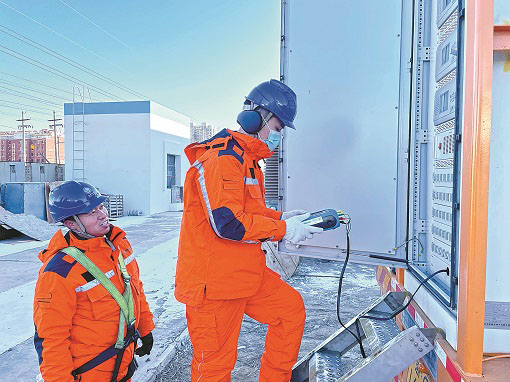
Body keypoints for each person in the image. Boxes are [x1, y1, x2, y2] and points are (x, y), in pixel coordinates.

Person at [175, 79, 323, 381]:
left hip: (243, 274)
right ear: (255, 118)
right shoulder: (222, 159)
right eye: (278, 128)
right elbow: (228, 223)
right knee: (215, 367)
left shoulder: (249, 162)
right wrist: (282, 229)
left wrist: (285, 218)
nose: (279, 137)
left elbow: (249, 214)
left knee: (290, 311)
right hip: (213, 286)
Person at [33, 181, 154, 382]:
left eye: (101, 207)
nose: (103, 214)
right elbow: (51, 339)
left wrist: (146, 328)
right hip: (91, 374)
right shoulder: (58, 272)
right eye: (91, 212)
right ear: (71, 223)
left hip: (122, 368)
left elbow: (135, 290)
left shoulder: (118, 245)